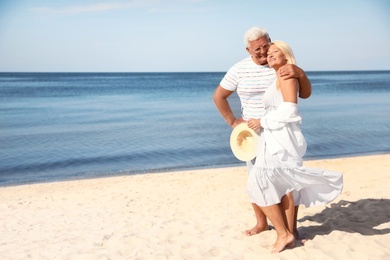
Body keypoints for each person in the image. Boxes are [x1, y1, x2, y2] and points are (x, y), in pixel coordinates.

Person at [212, 26, 311, 237]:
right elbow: (219, 96)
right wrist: (233, 122)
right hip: (251, 133)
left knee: (285, 180)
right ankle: (261, 223)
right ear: (248, 50)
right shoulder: (239, 69)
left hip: (278, 130)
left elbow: (303, 95)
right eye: (257, 49)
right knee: (255, 179)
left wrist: (300, 73)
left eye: (266, 46)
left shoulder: (280, 65)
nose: (263, 51)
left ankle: (290, 230)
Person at [247, 40, 343, 253]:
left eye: (275, 52)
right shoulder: (279, 76)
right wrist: (261, 121)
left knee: (259, 184)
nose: (270, 54)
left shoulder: (286, 74)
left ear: (286, 56)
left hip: (281, 140)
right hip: (275, 137)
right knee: (285, 186)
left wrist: (262, 122)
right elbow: (282, 106)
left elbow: (290, 110)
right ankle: (290, 233)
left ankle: (284, 234)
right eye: (268, 52)